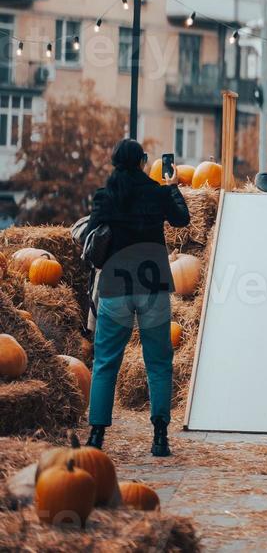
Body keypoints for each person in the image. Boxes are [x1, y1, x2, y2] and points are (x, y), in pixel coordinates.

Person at [86, 139, 190, 456]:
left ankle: (96, 436)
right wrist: (172, 187)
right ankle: (160, 438)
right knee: (158, 363)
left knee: (105, 363)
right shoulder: (157, 192)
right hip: (153, 286)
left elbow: (93, 233)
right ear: (143, 161)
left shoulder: (105, 196)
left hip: (116, 287)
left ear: (115, 162)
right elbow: (182, 219)